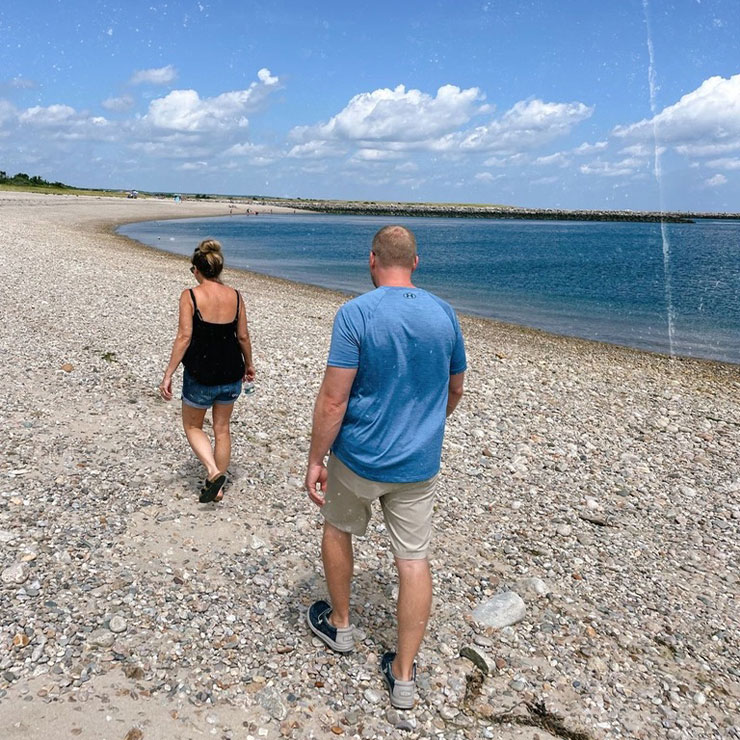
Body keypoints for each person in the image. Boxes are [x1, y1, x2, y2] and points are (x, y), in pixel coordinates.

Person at [305, 225, 466, 709]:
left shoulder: (356, 313)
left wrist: (316, 458)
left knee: (338, 529)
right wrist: (422, 426)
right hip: (416, 464)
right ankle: (403, 677)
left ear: (372, 260)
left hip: (357, 456)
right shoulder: (443, 313)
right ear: (415, 262)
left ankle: (341, 625)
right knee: (413, 560)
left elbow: (334, 401)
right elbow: (454, 390)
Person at [159, 239, 255, 503]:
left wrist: (168, 374)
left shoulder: (190, 295)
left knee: (192, 426)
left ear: (197, 270)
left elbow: (183, 337)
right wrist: (249, 364)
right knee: (222, 429)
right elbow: (243, 337)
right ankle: (218, 487)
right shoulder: (235, 296)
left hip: (201, 373)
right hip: (231, 371)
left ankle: (213, 473)